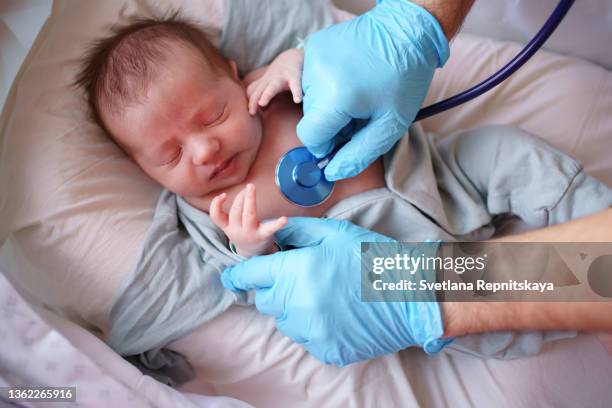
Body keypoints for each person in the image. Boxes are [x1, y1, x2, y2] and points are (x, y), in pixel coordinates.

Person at [75, 11, 612, 369]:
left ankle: (595, 220)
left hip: (443, 176)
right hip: (385, 265)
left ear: (235, 79)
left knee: (506, 150)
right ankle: (569, 323)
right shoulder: (203, 215)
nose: (205, 150)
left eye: (212, 115)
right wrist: (251, 245)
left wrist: (293, 61)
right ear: (142, 169)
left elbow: (323, 61)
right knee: (481, 326)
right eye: (170, 155)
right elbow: (243, 279)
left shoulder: (269, 91)